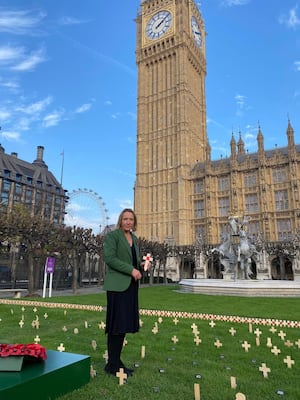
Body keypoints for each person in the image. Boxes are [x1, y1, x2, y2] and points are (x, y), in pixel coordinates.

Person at [103, 208, 144, 377]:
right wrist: (131, 270)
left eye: (131, 219)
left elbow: (135, 261)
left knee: (123, 325)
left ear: (134, 222)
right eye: (125, 219)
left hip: (130, 286)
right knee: (116, 326)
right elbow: (110, 259)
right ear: (120, 220)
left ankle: (115, 361)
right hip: (117, 286)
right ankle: (112, 364)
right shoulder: (113, 237)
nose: (128, 222)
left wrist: (142, 266)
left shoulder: (134, 239)